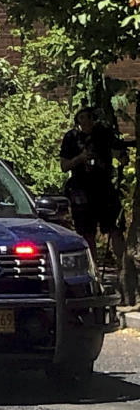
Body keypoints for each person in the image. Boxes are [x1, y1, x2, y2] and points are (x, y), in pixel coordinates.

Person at [59, 108, 135, 292]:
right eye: (83, 119)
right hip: (81, 190)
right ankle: (93, 278)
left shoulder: (103, 135)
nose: (87, 122)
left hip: (104, 188)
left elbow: (119, 152)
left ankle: (124, 272)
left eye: (90, 118)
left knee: (115, 230)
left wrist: (121, 158)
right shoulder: (71, 138)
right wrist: (81, 158)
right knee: (87, 234)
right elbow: (64, 165)